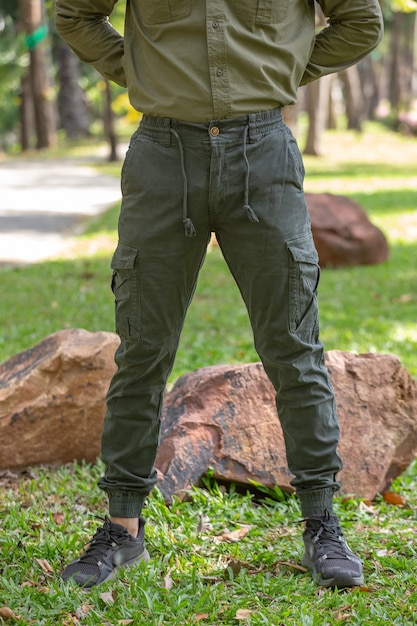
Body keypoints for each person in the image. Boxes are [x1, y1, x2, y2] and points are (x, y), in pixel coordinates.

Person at [55, 0, 383, 589]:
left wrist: (279, 71)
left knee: (294, 348)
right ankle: (122, 529)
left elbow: (360, 21)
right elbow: (76, 13)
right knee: (143, 352)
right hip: (162, 157)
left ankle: (323, 525)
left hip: (264, 155)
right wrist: (141, 71)